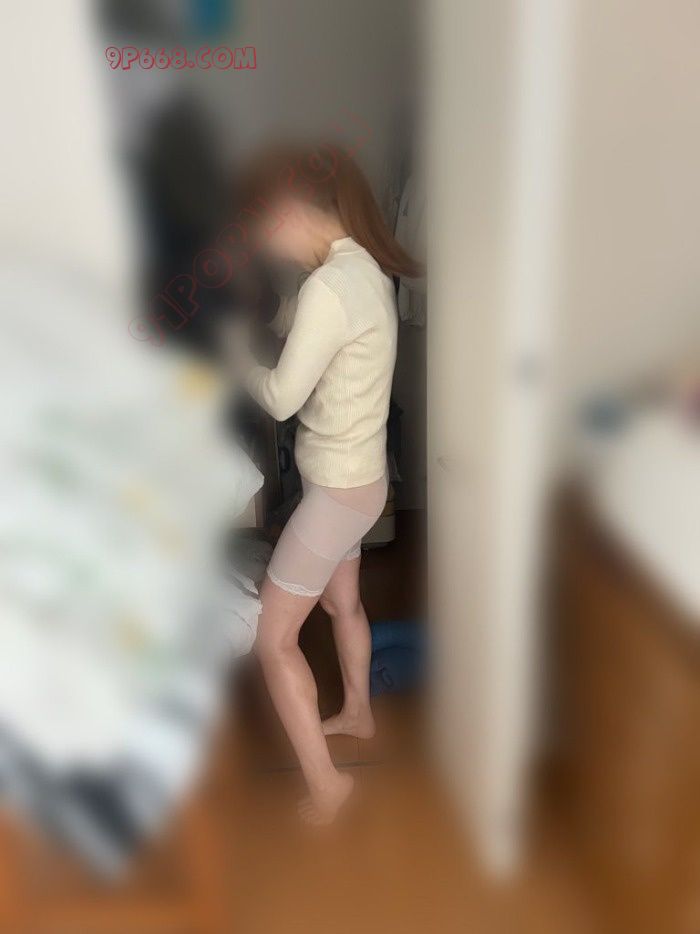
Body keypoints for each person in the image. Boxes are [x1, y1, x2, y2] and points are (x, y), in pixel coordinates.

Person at [231, 143, 420, 824]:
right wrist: (267, 318)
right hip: (361, 485)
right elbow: (310, 331)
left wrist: (233, 353)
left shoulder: (329, 287)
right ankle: (359, 713)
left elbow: (281, 399)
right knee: (345, 606)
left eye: (266, 219)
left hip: (336, 495)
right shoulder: (363, 271)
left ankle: (328, 786)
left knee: (273, 639)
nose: (265, 236)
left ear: (297, 209)